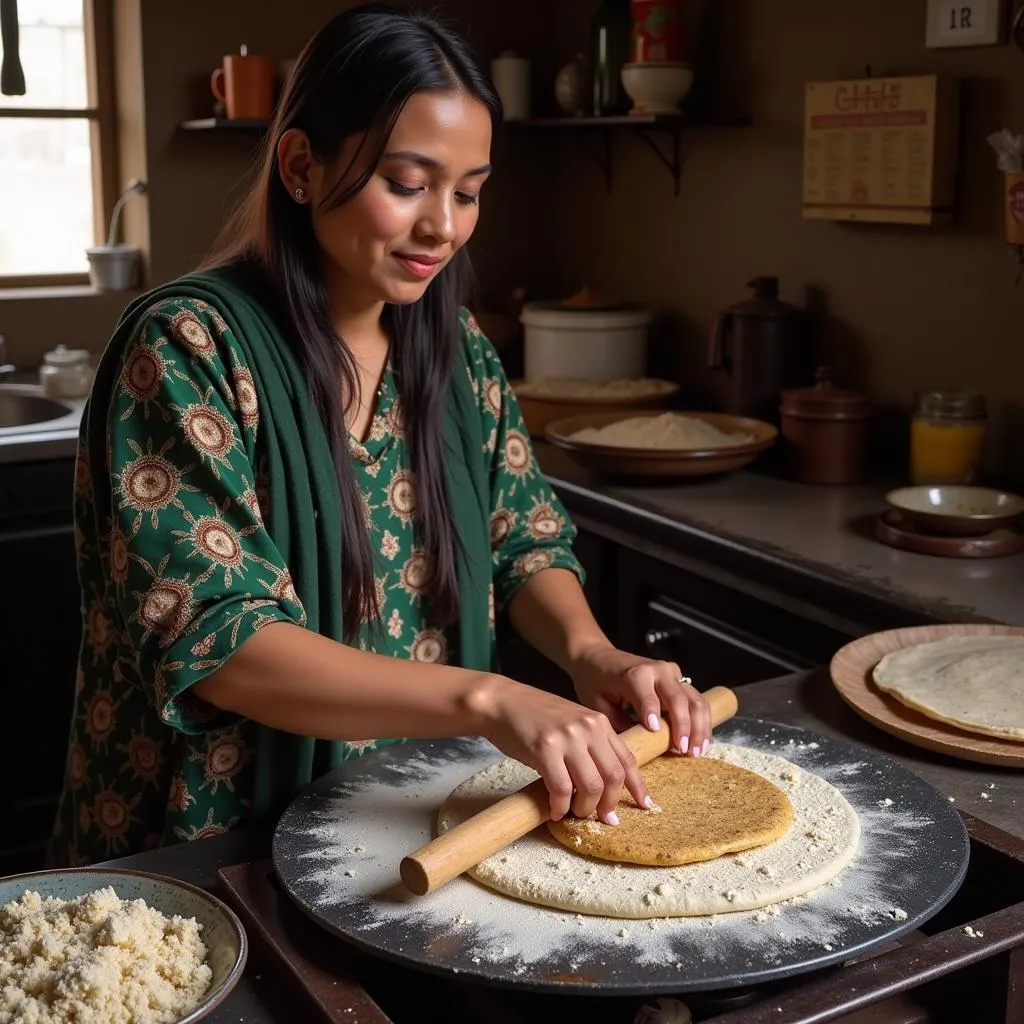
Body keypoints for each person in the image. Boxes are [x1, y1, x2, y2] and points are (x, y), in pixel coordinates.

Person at [48, 2, 710, 867]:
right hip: (211, 837)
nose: (443, 224)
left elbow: (524, 539)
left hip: (403, 822)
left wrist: (593, 653)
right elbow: (221, 644)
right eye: (407, 183)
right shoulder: (187, 347)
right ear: (300, 165)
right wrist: (489, 700)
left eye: (468, 192)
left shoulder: (456, 352)